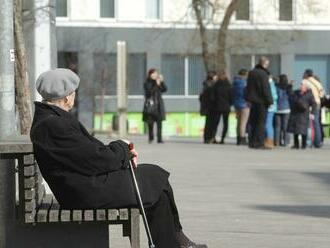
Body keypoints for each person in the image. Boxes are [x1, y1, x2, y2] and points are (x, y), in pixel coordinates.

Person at [30, 69, 207, 248]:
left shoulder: (51, 119)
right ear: (67, 97)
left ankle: (177, 242)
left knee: (156, 183)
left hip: (83, 185)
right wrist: (123, 149)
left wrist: (124, 151)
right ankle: (177, 243)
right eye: (74, 93)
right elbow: (95, 159)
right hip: (85, 192)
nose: (74, 97)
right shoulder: (54, 124)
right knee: (154, 178)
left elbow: (88, 154)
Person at [245, 56, 273, 149]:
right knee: (261, 122)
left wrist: (248, 99)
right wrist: (270, 100)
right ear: (264, 64)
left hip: (252, 101)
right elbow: (265, 88)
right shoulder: (263, 74)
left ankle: (252, 141)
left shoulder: (252, 73)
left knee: (253, 121)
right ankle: (259, 142)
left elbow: (248, 87)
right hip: (262, 101)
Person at [287, 83, 317, 149]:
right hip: (295, 113)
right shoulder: (296, 93)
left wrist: (312, 113)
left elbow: (314, 104)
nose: (301, 87)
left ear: (306, 88)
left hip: (304, 114)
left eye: (303, 86)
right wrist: (289, 86)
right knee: (295, 130)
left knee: (303, 130)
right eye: (301, 86)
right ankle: (296, 144)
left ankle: (303, 144)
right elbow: (290, 95)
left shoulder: (309, 95)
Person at [301, 69, 325, 148]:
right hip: (317, 104)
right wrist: (317, 97)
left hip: (308, 105)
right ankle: (317, 142)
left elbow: (302, 92)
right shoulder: (317, 82)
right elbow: (322, 93)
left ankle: (308, 142)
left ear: (306, 74)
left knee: (307, 124)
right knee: (316, 123)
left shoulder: (304, 81)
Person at [143, 68, 167, 144]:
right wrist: (156, 84)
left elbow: (164, 89)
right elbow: (149, 92)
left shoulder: (158, 82)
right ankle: (151, 137)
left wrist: (162, 82)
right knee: (150, 123)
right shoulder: (147, 82)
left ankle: (159, 139)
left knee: (159, 123)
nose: (155, 75)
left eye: (156, 73)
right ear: (150, 75)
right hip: (150, 105)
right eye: (153, 74)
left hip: (158, 105)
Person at [210, 70, 232, 144]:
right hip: (226, 107)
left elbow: (212, 97)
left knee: (215, 123)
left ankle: (213, 138)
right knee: (225, 123)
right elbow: (231, 97)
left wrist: (214, 103)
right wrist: (230, 104)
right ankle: (222, 139)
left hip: (217, 107)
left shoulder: (216, 85)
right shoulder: (228, 85)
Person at [232, 69, 250, 145]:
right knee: (243, 122)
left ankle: (238, 138)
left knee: (239, 122)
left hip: (236, 104)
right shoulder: (245, 84)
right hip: (244, 104)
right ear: (245, 75)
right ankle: (242, 138)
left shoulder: (234, 83)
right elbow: (247, 94)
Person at [199, 71, 218, 144]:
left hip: (208, 106)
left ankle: (210, 137)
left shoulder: (206, 84)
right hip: (210, 106)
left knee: (210, 123)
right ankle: (209, 137)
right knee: (210, 123)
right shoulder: (210, 84)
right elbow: (210, 96)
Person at [274, 74, 292, 146]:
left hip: (277, 108)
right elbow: (291, 97)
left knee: (277, 126)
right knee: (286, 126)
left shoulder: (276, 87)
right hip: (286, 109)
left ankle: (277, 142)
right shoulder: (288, 87)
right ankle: (286, 142)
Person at [264, 76, 278, 149]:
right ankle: (268, 140)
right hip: (271, 107)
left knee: (267, 124)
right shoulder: (272, 84)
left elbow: (273, 96)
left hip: (270, 107)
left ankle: (269, 141)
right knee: (268, 124)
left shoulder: (270, 85)